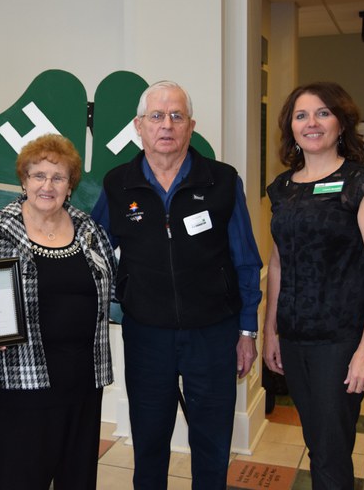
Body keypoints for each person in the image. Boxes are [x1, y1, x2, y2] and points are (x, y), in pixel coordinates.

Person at [92, 80, 263, 489]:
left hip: (214, 331)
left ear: (191, 125)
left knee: (212, 439)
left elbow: (245, 259)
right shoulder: (118, 184)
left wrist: (246, 330)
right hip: (146, 332)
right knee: (149, 439)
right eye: (156, 116)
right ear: (139, 125)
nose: (166, 125)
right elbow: (94, 250)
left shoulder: (222, 181)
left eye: (176, 116)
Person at [0, 133, 116, 490]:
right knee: (23, 479)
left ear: (70, 184)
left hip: (82, 379)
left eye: (58, 177)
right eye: (39, 175)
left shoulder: (89, 230)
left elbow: (113, 282)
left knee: (77, 479)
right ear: (24, 180)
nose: (48, 185)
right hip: (20, 383)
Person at [263, 82, 364, 489]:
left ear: (341, 123)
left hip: (340, 341)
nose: (312, 123)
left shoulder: (363, 183)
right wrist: (271, 331)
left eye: (323, 113)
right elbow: (279, 262)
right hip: (295, 337)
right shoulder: (283, 188)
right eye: (301, 116)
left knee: (331, 452)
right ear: (291, 128)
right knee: (317, 442)